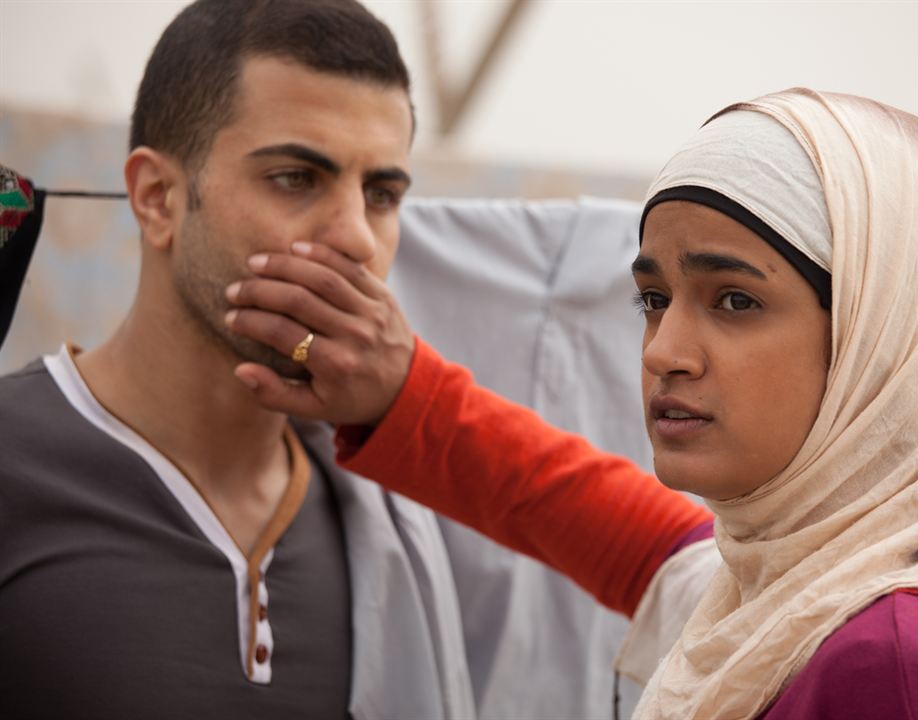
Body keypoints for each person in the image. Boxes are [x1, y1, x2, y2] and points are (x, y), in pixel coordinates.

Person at [228, 89, 918, 718]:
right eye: (653, 298)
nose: (664, 350)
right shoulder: (786, 585)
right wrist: (398, 391)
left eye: (734, 300)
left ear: (879, 341)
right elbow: (594, 516)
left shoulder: (897, 664)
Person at [0, 1, 711, 718]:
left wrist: (409, 401)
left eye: (381, 194)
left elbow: (681, 559)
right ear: (157, 198)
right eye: (295, 178)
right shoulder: (16, 461)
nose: (356, 240)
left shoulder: (390, 516)